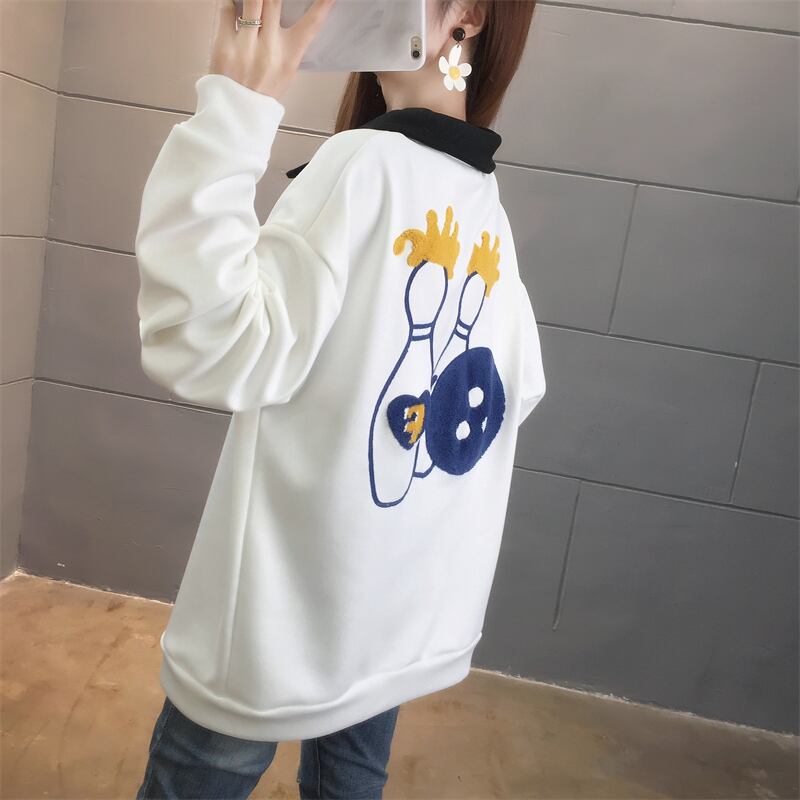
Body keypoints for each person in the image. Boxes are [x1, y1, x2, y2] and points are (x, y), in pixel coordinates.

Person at [134, 0, 543, 796]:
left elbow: (208, 344)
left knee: (204, 769)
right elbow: (514, 391)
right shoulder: (482, 201)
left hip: (289, 602)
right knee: (352, 773)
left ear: (468, 14)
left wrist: (234, 113)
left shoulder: (363, 167)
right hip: (397, 603)